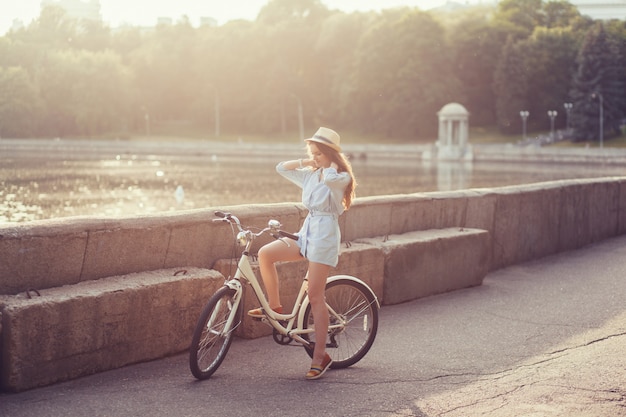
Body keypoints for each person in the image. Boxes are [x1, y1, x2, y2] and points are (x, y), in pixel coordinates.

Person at [248, 127, 357, 380]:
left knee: (315, 296)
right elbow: (281, 168)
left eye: (319, 153)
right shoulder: (311, 174)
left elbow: (330, 180)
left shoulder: (340, 176)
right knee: (265, 254)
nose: (315, 157)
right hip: (307, 232)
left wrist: (327, 163)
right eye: (312, 153)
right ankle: (274, 307)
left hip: (325, 236)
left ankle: (320, 356)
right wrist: (308, 161)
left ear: (330, 153)